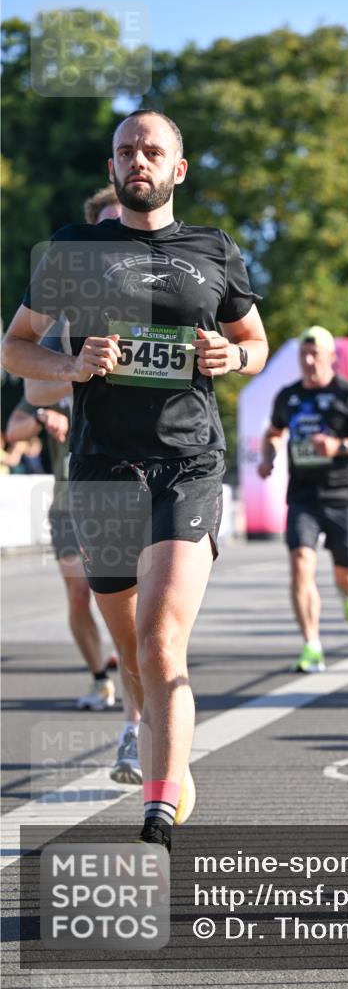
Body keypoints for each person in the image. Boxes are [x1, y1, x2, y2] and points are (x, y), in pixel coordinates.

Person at [2, 108, 268, 850]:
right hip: (99, 470)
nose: (138, 160)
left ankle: (157, 807)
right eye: (126, 151)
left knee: (159, 642)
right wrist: (72, 366)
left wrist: (234, 358)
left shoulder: (213, 249)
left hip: (187, 461)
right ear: (111, 169)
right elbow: (16, 348)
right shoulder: (74, 249)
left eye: (153, 150)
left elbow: (255, 340)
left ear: (177, 169)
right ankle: (160, 755)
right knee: (133, 652)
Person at [19, 187, 146, 782]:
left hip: (158, 476)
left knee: (153, 618)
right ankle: (107, 681)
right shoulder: (65, 316)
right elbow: (30, 387)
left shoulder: (160, 294)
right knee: (88, 598)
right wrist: (75, 374)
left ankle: (139, 724)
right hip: (82, 484)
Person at [258, 326, 348, 673]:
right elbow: (273, 433)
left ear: (332, 357)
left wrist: (341, 446)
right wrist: (268, 457)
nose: (310, 361)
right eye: (304, 355)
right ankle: (312, 644)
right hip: (303, 496)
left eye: (316, 354)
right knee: (301, 563)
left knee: (347, 575)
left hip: (343, 495)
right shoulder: (288, 396)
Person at [6, 393, 118, 712]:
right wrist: (42, 416)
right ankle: (100, 680)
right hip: (67, 507)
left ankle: (142, 674)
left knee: (125, 593)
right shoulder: (52, 378)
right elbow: (13, 430)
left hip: (116, 500)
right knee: (79, 593)